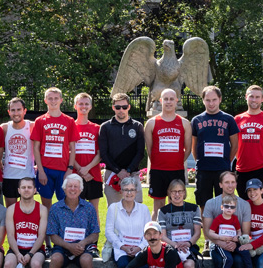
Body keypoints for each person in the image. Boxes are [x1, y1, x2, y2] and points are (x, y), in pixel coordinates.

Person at [45, 173, 101, 268]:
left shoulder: (88, 208)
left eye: (76, 186)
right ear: (64, 189)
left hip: (83, 247)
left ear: (81, 189)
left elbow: (95, 233)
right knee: (55, 259)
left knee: (87, 261)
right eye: (70, 186)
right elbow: (52, 235)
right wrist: (69, 246)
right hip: (63, 246)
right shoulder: (56, 208)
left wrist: (82, 243)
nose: (73, 189)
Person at [202, 171, 252, 268]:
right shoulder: (211, 204)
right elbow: (207, 233)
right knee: (219, 262)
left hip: (236, 244)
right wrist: (221, 243)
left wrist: (233, 242)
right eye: (227, 182)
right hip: (217, 244)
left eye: (233, 182)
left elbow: (245, 233)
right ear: (220, 185)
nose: (230, 185)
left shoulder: (243, 205)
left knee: (238, 262)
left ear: (236, 184)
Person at [0, 178, 49, 268]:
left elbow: (41, 235)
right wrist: (18, 253)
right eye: (23, 187)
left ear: (34, 190)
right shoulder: (11, 209)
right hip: (16, 248)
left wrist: (30, 254)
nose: (26, 190)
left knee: (37, 264)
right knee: (7, 264)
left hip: (35, 249)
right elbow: (11, 235)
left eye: (29, 187)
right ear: (18, 190)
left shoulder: (42, 209)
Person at [156, 179, 204, 268]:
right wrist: (175, 245)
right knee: (171, 265)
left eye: (180, 191)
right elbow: (162, 235)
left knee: (189, 265)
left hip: (188, 247)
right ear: (169, 194)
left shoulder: (193, 208)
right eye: (173, 191)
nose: (177, 194)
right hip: (171, 247)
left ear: (184, 192)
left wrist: (188, 243)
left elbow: (197, 233)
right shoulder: (163, 211)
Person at [105, 176, 151, 268]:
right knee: (124, 267)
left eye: (132, 190)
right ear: (121, 191)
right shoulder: (114, 208)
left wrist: (139, 247)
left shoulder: (143, 209)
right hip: (121, 249)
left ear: (136, 191)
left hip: (140, 248)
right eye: (126, 190)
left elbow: (148, 232)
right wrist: (123, 246)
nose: (129, 193)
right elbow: (109, 232)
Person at [144, 88, 193, 217]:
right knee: (158, 207)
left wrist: (176, 161)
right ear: (161, 101)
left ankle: (174, 236)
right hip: (158, 171)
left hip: (176, 171)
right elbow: (149, 149)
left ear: (176, 101)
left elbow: (188, 149)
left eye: (172, 99)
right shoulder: (151, 123)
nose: (169, 102)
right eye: (166, 99)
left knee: (176, 206)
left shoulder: (184, 123)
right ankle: (155, 236)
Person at [190, 85, 238, 207]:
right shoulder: (197, 120)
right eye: (208, 100)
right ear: (203, 100)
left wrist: (227, 160)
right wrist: (199, 161)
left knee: (223, 202)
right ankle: (206, 226)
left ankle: (222, 225)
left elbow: (235, 144)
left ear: (220, 99)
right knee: (203, 201)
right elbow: (194, 145)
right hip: (203, 168)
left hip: (222, 169)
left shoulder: (229, 119)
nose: (211, 103)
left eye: (214, 100)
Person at [30, 87, 78, 208]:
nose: (53, 101)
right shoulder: (40, 121)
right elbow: (36, 147)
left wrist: (70, 169)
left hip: (63, 169)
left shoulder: (69, 121)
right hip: (46, 169)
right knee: (46, 205)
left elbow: (72, 147)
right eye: (50, 98)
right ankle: (48, 227)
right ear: (45, 100)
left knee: (66, 204)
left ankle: (62, 227)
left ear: (61, 100)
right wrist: (40, 171)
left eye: (56, 98)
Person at [98, 92, 145, 206]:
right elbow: (104, 153)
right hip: (112, 174)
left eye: (124, 107)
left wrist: (128, 171)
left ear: (129, 107)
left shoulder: (137, 126)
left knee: (136, 209)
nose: (121, 110)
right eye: (118, 107)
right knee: (114, 210)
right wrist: (118, 171)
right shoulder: (105, 127)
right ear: (113, 108)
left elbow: (140, 152)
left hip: (132, 174)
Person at [234, 84, 263, 195]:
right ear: (246, 97)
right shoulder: (237, 119)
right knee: (243, 205)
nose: (254, 100)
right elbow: (234, 145)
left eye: (257, 97)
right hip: (242, 169)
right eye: (251, 96)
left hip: (262, 169)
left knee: (261, 204)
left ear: (262, 99)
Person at [70, 93, 104, 211]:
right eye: (80, 104)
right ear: (75, 106)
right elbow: (68, 152)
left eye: (86, 104)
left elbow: (100, 153)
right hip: (74, 175)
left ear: (90, 106)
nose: (83, 106)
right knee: (75, 210)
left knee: (93, 211)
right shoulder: (70, 126)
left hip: (93, 175)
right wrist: (81, 170)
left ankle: (94, 231)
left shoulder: (97, 128)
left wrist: (87, 168)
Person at [0, 96, 36, 206]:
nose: (16, 113)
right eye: (13, 110)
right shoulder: (4, 128)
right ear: (9, 112)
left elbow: (40, 147)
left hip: (27, 176)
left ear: (24, 111)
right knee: (10, 211)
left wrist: (39, 164)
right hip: (9, 176)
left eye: (19, 109)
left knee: (27, 211)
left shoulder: (32, 126)